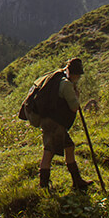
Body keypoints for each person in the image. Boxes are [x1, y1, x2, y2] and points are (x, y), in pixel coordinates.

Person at [35, 57, 90, 191]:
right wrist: (76, 96)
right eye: (78, 75)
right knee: (49, 151)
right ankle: (43, 186)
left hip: (48, 119)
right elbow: (74, 107)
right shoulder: (66, 85)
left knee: (69, 146)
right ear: (75, 74)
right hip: (55, 123)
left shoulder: (57, 78)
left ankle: (77, 180)